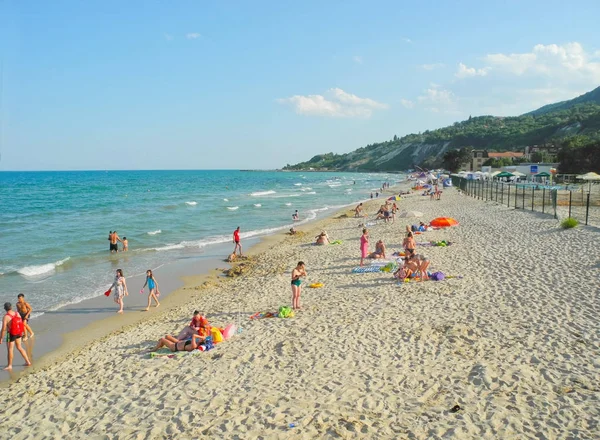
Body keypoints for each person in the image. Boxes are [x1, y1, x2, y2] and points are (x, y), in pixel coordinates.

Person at [1, 302, 32, 370]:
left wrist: (1, 338)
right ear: (11, 307)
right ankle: (28, 361)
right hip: (18, 332)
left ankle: (10, 365)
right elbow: (20, 322)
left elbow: (3, 329)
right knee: (19, 347)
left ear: (5, 309)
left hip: (11, 334)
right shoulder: (16, 313)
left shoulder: (6, 317)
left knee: (10, 349)